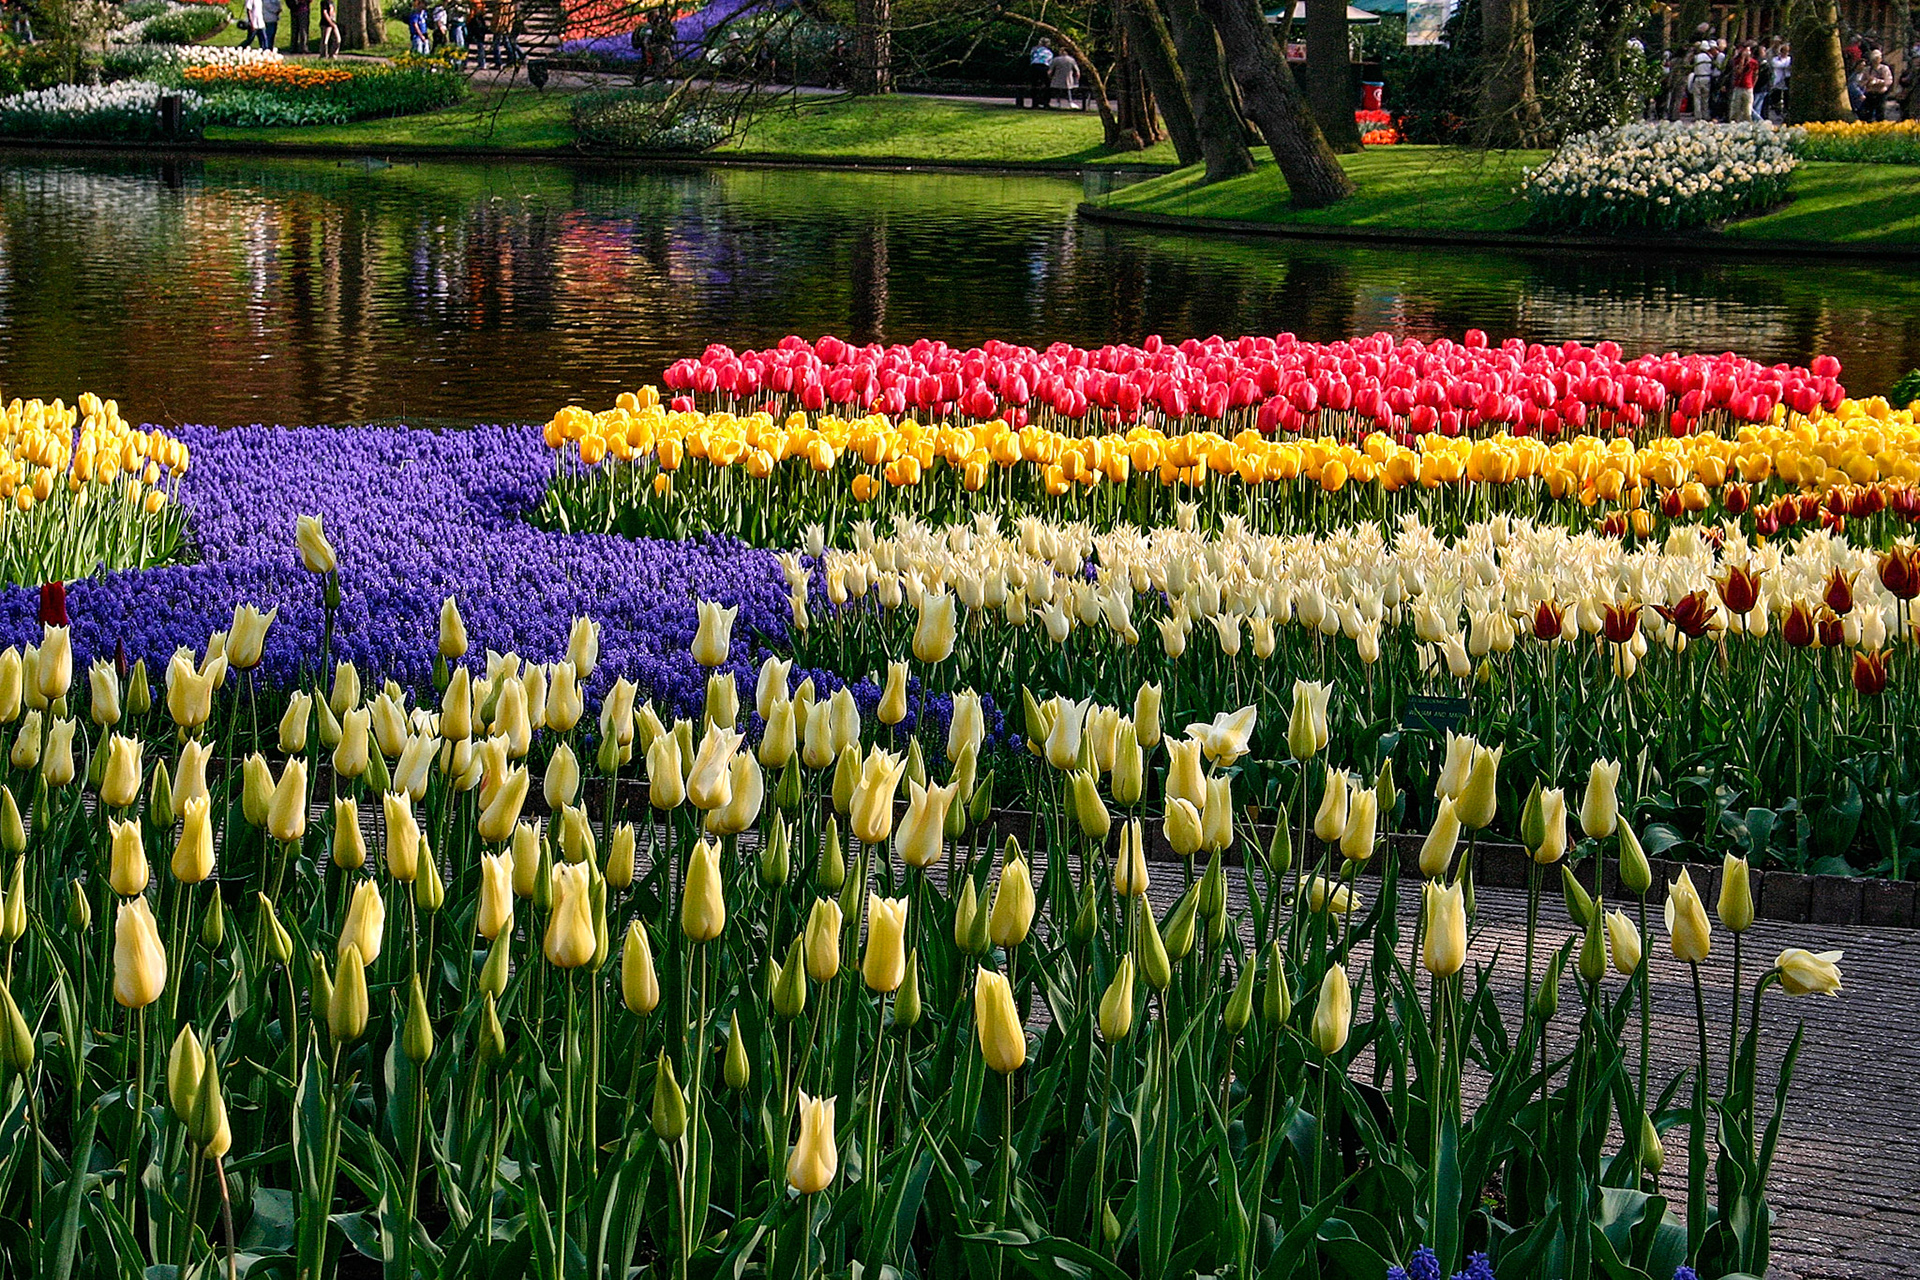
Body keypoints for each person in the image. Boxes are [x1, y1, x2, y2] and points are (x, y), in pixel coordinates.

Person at [1859, 48, 1894, 121]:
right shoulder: (1867, 70)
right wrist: (1868, 82)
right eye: (1874, 59)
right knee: (1867, 115)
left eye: (1877, 58)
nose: (1875, 61)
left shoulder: (1884, 69)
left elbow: (1889, 81)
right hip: (1870, 93)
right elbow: (1861, 82)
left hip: (1880, 94)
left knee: (1880, 114)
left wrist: (1878, 81)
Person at [1728, 41, 1757, 122]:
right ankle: (1733, 123)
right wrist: (1743, 59)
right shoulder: (1736, 61)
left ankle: (1747, 124)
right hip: (1738, 87)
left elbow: (1755, 75)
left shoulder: (1754, 62)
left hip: (1748, 87)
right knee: (1735, 108)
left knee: (1747, 110)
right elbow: (1739, 71)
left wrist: (1752, 85)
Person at [1027, 40, 1053, 109]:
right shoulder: (1049, 52)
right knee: (1047, 85)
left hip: (1034, 66)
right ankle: (1046, 103)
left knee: (1034, 85)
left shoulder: (1034, 50)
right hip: (1044, 67)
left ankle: (1034, 103)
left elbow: (1031, 57)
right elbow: (1050, 62)